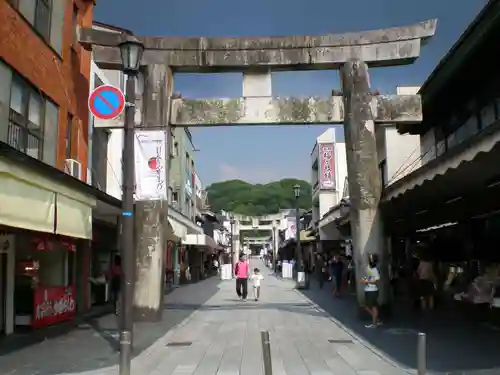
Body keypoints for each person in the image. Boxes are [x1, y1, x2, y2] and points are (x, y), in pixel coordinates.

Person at [362, 253, 381, 328]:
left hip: (372, 290)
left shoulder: (374, 270)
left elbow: (375, 280)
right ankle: (376, 319)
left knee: (373, 306)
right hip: (368, 289)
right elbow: (370, 278)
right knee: (368, 306)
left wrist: (365, 281)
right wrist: (366, 280)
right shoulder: (369, 268)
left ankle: (374, 323)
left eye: (371, 259)